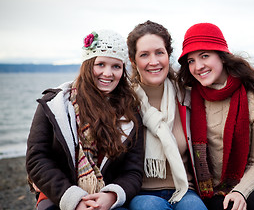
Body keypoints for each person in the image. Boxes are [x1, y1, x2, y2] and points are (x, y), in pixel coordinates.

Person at [177, 23, 254, 210]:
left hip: (250, 185)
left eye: (204, 56)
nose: (198, 66)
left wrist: (240, 192)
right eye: (191, 61)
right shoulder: (188, 98)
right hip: (207, 190)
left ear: (222, 56)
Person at [26, 30, 144, 210]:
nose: (108, 73)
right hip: (59, 194)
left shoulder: (130, 112)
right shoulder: (55, 104)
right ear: (88, 65)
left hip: (105, 197)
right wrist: (75, 200)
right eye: (100, 64)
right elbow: (37, 158)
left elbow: (133, 171)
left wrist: (111, 196)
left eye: (116, 66)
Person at [126, 20, 207, 210]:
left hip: (184, 189)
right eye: (144, 55)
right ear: (133, 60)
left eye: (159, 53)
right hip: (140, 192)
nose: (153, 62)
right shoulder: (124, 101)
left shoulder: (186, 96)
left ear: (168, 55)